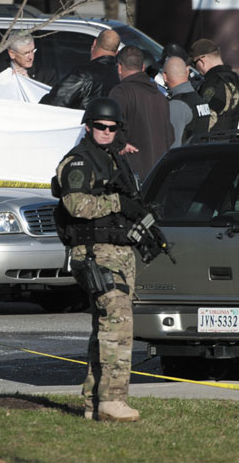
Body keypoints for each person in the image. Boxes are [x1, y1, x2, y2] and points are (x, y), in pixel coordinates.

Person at [52, 97, 142, 422]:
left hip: (116, 253)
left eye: (112, 127)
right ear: (89, 126)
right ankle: (112, 400)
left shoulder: (113, 158)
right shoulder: (79, 161)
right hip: (96, 254)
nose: (106, 131)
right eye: (101, 126)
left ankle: (93, 402)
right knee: (117, 329)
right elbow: (76, 204)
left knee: (104, 329)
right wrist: (117, 204)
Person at [108, 45, 174, 180]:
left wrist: (120, 146)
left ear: (119, 67)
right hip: (158, 176)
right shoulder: (160, 97)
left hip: (132, 176)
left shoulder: (120, 92)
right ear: (143, 68)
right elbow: (170, 137)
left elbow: (111, 130)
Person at [39, 29, 120, 110]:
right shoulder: (120, 76)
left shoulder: (83, 74)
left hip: (81, 121)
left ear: (94, 43)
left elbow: (52, 103)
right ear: (117, 52)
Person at [189, 38, 239, 132]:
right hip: (228, 141)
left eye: (194, 63)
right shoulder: (235, 79)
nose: (196, 68)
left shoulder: (213, 83)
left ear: (202, 61)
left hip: (210, 143)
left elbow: (206, 120)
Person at [163, 56, 211, 147]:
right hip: (200, 158)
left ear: (165, 76)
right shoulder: (199, 100)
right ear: (187, 71)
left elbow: (172, 147)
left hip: (184, 159)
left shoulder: (177, 105)